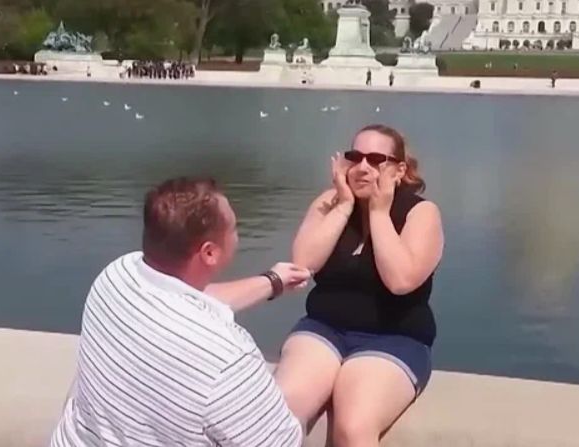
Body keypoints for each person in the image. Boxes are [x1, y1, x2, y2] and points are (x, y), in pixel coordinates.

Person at [50, 177, 310, 447]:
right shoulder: (227, 357)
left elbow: (193, 301)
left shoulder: (117, 274)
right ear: (209, 253)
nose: (237, 234)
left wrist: (272, 281)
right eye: (234, 227)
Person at [275, 124, 445, 446]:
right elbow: (304, 264)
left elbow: (401, 280)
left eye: (376, 159)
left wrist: (379, 213)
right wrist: (343, 207)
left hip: (394, 337)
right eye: (355, 157)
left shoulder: (421, 213)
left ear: (399, 170)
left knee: (352, 425)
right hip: (324, 328)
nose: (363, 167)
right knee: (279, 409)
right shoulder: (330, 202)